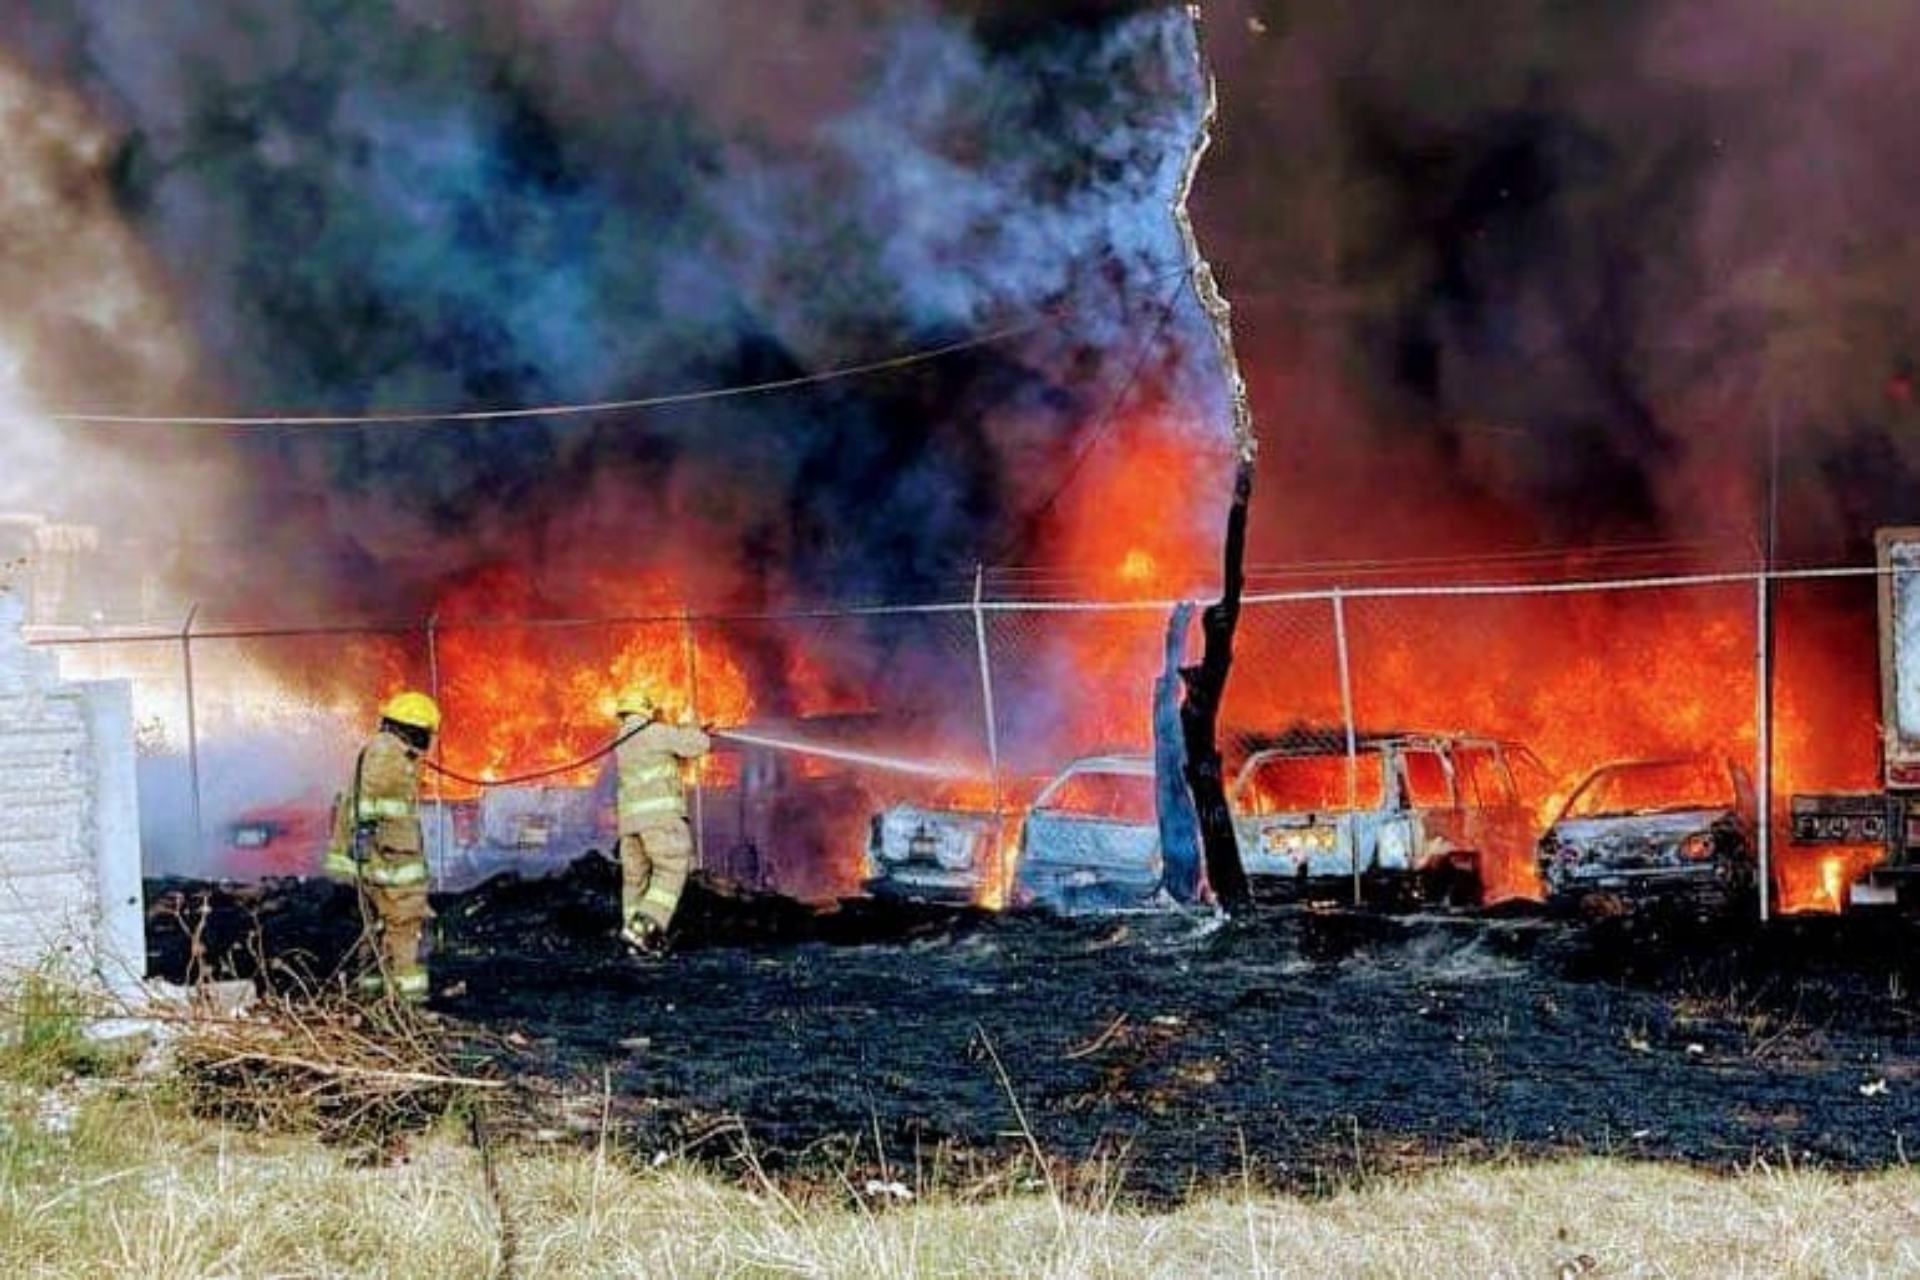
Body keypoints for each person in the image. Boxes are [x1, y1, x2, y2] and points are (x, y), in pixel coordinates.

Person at [325, 690, 440, 1001]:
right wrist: (365, 838)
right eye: (426, 732)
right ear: (412, 728)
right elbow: (369, 802)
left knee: (374, 932)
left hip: (381, 864)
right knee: (406, 932)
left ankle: (371, 1001)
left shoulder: (388, 751)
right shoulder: (389, 755)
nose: (428, 739)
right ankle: (408, 1006)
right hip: (392, 866)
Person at [611, 689, 711, 954]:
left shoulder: (622, 741)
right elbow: (697, 745)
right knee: (670, 871)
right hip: (660, 821)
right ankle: (641, 932)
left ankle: (634, 942)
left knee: (635, 882)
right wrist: (691, 726)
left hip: (630, 827)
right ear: (646, 711)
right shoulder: (655, 732)